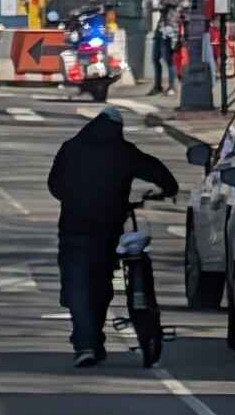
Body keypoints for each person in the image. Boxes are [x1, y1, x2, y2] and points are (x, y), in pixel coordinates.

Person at [46, 107, 178, 368]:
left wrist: (75, 199)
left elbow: (55, 185)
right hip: (108, 229)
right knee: (100, 285)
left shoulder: (71, 148)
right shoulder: (123, 151)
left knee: (77, 288)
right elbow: (155, 169)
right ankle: (92, 341)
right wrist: (168, 189)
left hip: (74, 227)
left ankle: (86, 344)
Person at [148, 0, 181, 97]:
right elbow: (158, 6)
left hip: (170, 32)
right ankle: (158, 85)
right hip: (160, 30)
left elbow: (164, 1)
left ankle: (172, 86)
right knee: (155, 58)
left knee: (169, 59)